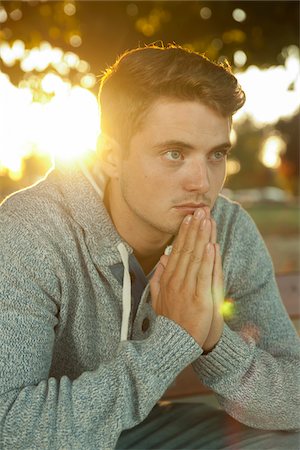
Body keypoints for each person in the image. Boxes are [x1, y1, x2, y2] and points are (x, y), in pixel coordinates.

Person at [0, 43, 299, 450]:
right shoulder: (30, 232)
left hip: (150, 430)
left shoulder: (227, 231)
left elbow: (295, 393)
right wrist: (172, 340)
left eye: (216, 155)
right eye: (174, 153)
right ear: (110, 155)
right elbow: (11, 427)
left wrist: (214, 342)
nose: (202, 182)